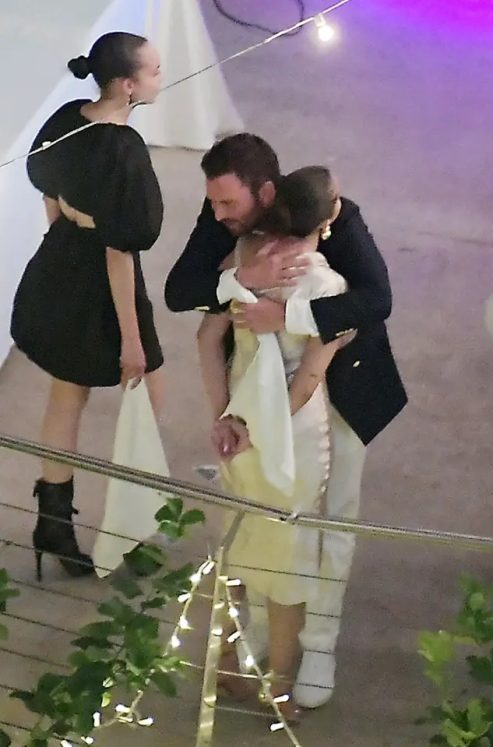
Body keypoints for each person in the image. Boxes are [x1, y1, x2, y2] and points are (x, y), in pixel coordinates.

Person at [165, 134, 408, 708]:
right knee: (257, 515)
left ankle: (319, 641)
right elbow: (180, 291)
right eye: (215, 203)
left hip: (339, 388)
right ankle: (259, 632)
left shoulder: (334, 216)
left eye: (229, 204)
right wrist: (242, 280)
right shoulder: (226, 216)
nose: (218, 214)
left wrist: (290, 315)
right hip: (257, 392)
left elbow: (376, 299)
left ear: (268, 193)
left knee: (332, 515)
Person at [198, 166, 357, 720]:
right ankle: (281, 687)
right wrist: (260, 426)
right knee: (289, 561)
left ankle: (224, 665)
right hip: (291, 438)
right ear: (329, 218)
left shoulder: (244, 261)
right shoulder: (327, 287)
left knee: (234, 543)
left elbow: (207, 337)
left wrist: (226, 417)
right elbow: (306, 382)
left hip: (236, 428)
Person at [10, 32, 165, 582]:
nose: (160, 77)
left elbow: (50, 197)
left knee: (66, 396)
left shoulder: (66, 119)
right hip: (101, 278)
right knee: (146, 394)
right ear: (128, 85)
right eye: (153, 71)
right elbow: (120, 252)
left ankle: (54, 523)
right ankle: (133, 530)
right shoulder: (124, 150)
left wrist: (65, 250)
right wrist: (132, 339)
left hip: (59, 265)